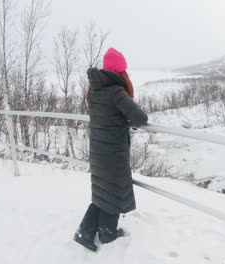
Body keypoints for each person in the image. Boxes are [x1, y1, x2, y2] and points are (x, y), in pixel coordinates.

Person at [74, 47, 148, 252]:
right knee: (112, 194)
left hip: (98, 151)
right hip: (113, 154)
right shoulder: (116, 92)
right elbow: (140, 118)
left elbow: (110, 115)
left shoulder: (95, 90)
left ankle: (85, 232)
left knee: (101, 192)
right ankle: (107, 235)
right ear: (121, 72)